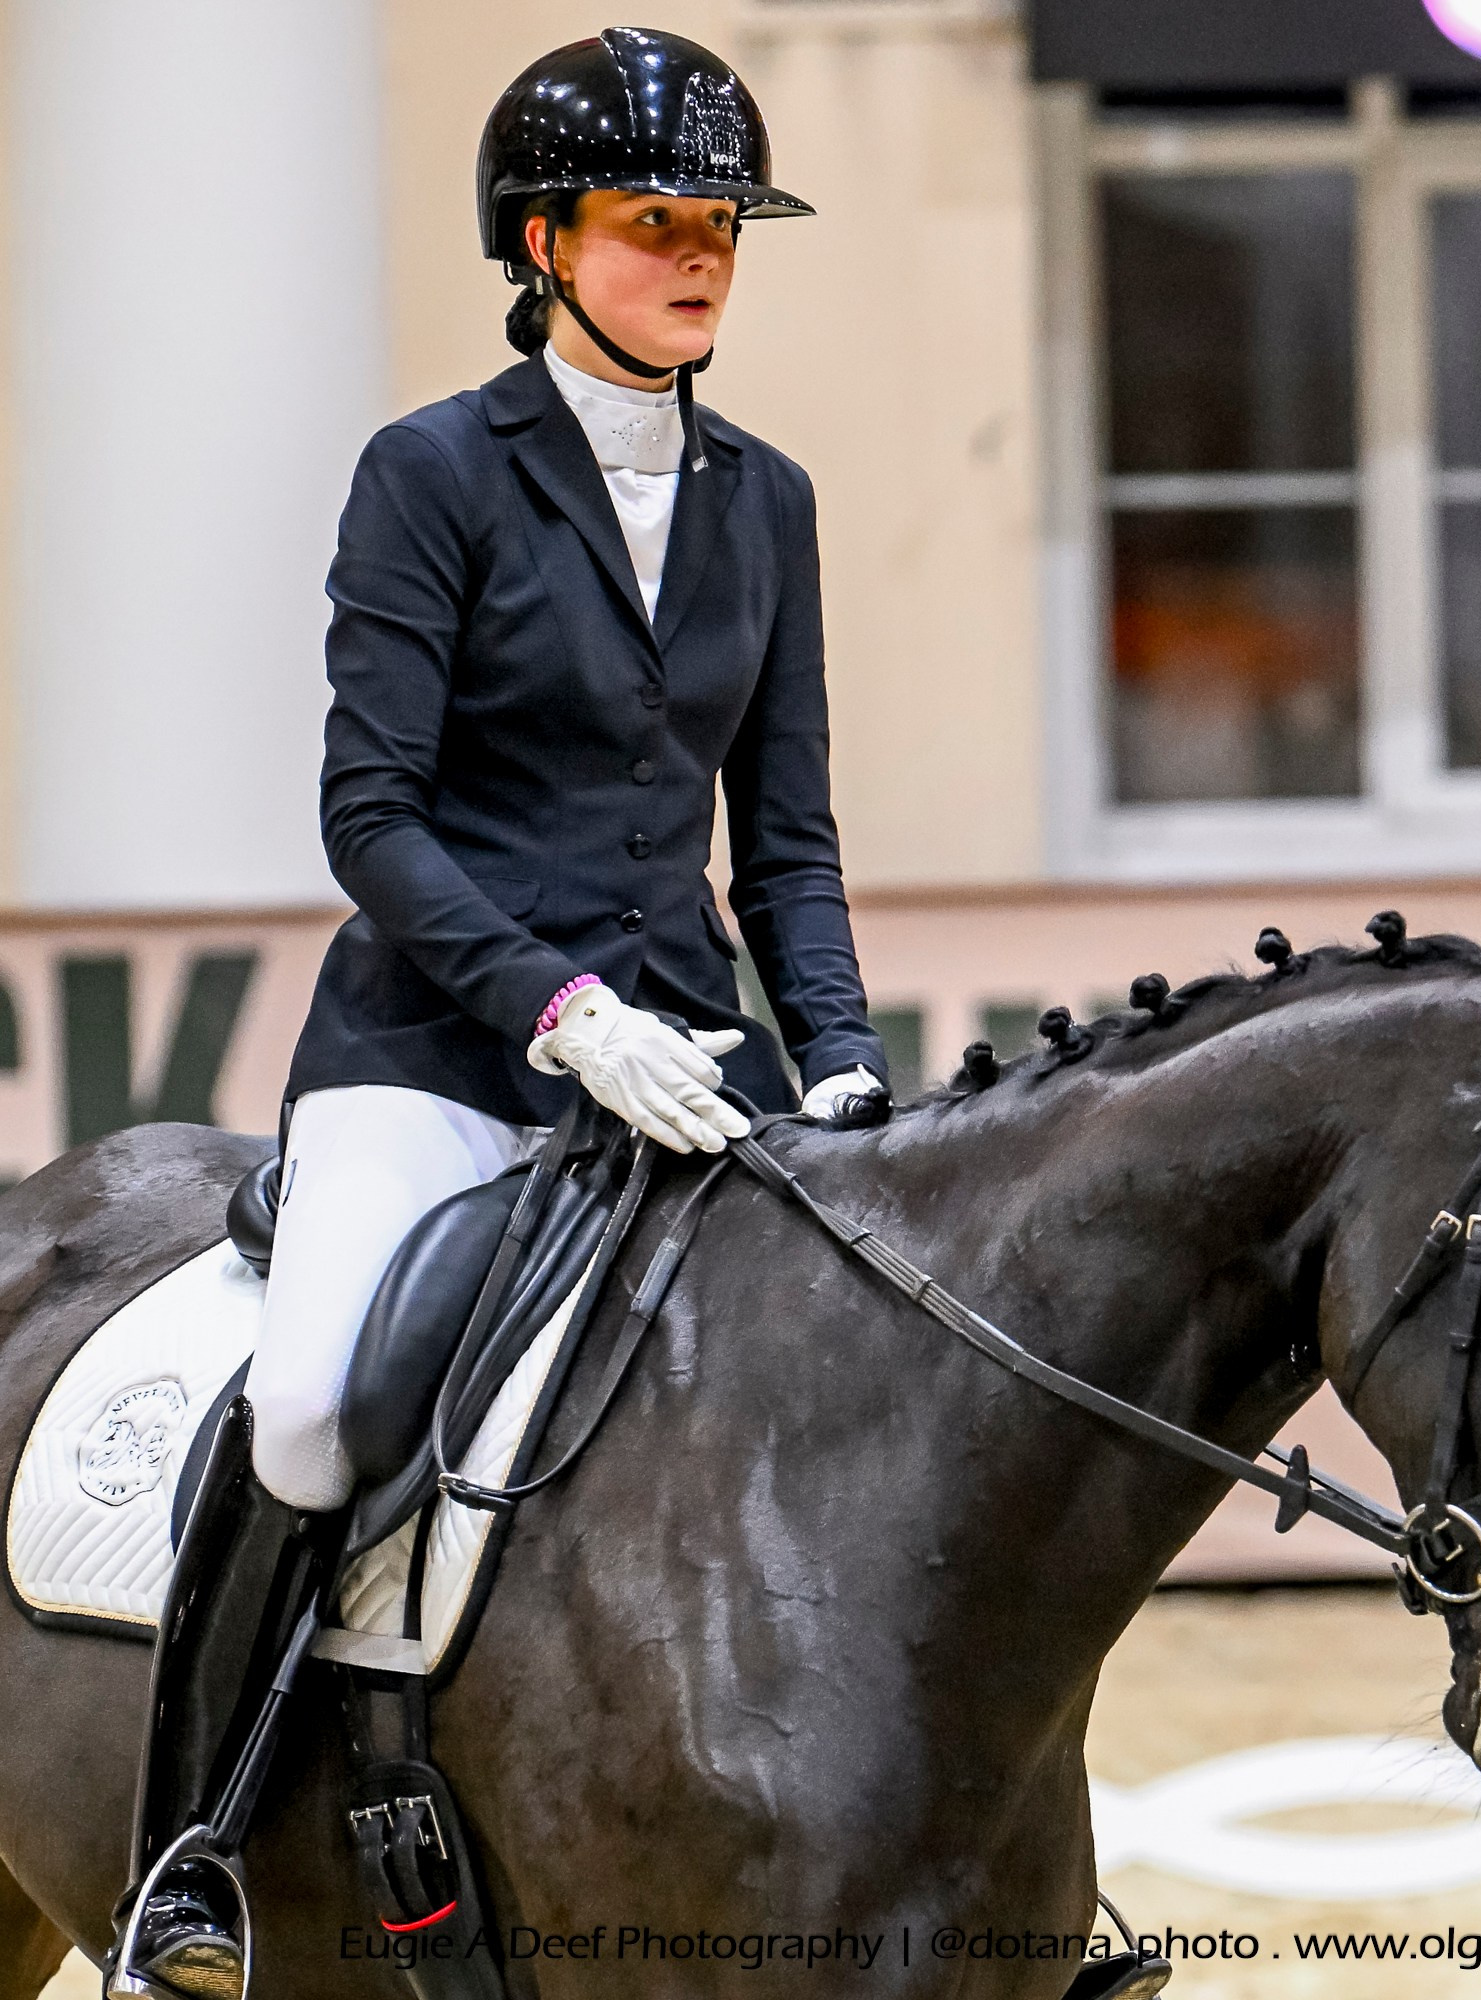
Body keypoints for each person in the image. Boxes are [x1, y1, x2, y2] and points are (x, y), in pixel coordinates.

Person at [107, 30, 886, 1998]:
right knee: (305, 1413)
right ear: (543, 243)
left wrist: (843, 1052)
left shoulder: (766, 499)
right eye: (655, 222)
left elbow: (782, 832)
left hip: (695, 1064)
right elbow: (369, 813)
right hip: (440, 1054)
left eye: (720, 225)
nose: (700, 256)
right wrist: (554, 1012)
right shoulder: (434, 474)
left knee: (884, 1397)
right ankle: (189, 1853)